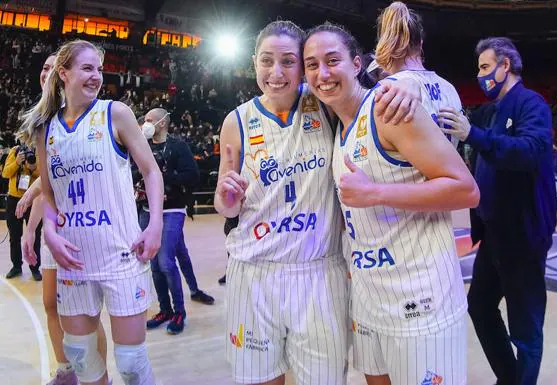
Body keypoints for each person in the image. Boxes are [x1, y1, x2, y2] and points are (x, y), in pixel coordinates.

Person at [215, 20, 420, 385]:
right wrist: (226, 199)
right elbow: (227, 208)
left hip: (318, 272)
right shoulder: (237, 121)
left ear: (303, 67)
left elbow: (362, 84)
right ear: (253, 63)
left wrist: (402, 87)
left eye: (288, 61)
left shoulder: (324, 104)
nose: (275, 73)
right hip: (253, 272)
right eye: (266, 61)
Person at [303, 22, 479, 385]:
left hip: (421, 299)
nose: (322, 73)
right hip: (369, 298)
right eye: (312, 64)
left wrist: (377, 193)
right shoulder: (338, 125)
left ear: (356, 64)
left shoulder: (389, 108)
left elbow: (465, 189)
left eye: (332, 60)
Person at [18, 39, 163, 385]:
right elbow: (50, 195)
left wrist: (155, 222)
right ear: (63, 73)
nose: (96, 76)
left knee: (130, 361)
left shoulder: (116, 113)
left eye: (98, 69)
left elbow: (151, 171)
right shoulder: (46, 129)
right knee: (81, 357)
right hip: (73, 260)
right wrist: (49, 232)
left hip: (121, 254)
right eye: (87, 68)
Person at [438, 37, 557, 385]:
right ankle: (510, 378)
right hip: (493, 234)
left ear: (506, 66)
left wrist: (474, 134)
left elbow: (529, 151)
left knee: (526, 327)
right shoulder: (488, 112)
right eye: (479, 69)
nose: (481, 76)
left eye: (486, 67)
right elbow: (473, 144)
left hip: (524, 235)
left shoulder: (531, 104)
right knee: (480, 307)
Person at [18, 52, 109, 385]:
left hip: (85, 227)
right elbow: (51, 185)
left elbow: (55, 178)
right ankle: (67, 369)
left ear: (64, 74)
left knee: (84, 313)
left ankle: (99, 375)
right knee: (50, 303)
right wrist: (31, 229)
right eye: (42, 67)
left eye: (51, 67)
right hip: (56, 227)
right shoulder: (45, 122)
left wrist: (32, 192)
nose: (46, 73)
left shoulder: (87, 115)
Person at [139, 107, 214, 336]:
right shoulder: (143, 146)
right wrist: (141, 187)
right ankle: (165, 309)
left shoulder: (178, 146)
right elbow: (134, 172)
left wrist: (162, 181)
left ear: (162, 123)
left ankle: (179, 311)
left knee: (165, 261)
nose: (145, 124)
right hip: (147, 210)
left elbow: (192, 176)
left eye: (149, 120)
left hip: (172, 209)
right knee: (155, 262)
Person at [372, 2, 463, 149]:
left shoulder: (386, 90)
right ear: (420, 44)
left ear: (386, 43)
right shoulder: (450, 88)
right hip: (449, 169)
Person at [2, 140, 42, 280]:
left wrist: (32, 166)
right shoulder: (14, 151)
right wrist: (17, 162)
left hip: (33, 200)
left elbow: (43, 174)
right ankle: (16, 266)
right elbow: (5, 173)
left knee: (35, 235)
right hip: (14, 199)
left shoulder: (38, 150)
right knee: (14, 235)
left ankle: (35, 267)